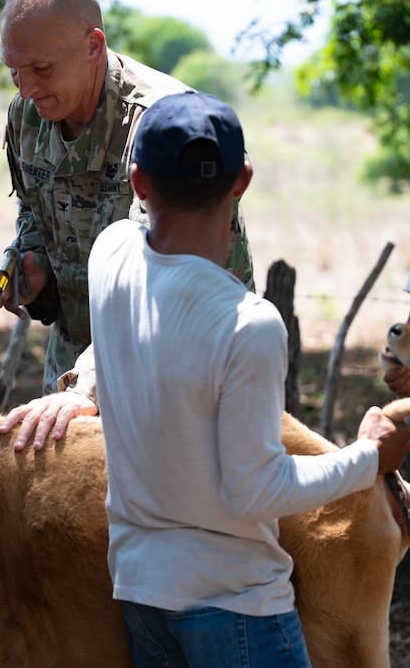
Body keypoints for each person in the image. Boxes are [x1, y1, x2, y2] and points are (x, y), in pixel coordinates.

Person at [87, 90, 410, 667]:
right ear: (243, 179)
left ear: (138, 183)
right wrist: (369, 458)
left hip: (139, 588)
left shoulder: (109, 256)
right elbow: (255, 489)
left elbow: (137, 235)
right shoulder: (248, 323)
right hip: (233, 605)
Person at [0, 0, 253, 449]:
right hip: (76, 374)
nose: (25, 89)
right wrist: (31, 262)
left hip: (180, 371)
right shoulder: (27, 114)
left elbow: (163, 279)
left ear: (93, 46)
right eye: (14, 71)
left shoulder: (167, 125)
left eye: (41, 69)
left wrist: (88, 389)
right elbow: (34, 209)